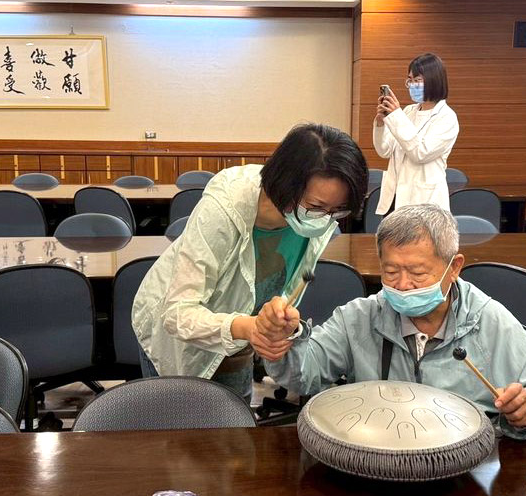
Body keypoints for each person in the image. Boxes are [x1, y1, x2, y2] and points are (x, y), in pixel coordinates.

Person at [258, 204, 526, 439]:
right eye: (390, 272)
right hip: (379, 459)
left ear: (454, 268)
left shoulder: (489, 321)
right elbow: (304, 375)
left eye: (418, 273)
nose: (403, 285)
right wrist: (282, 342)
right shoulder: (360, 317)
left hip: (465, 467)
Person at [132, 123, 368, 405]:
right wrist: (249, 328)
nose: (326, 219)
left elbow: (280, 290)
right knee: (183, 422)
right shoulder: (225, 209)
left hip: (241, 338)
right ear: (285, 186)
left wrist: (276, 321)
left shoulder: (316, 216)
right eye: (317, 207)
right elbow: (177, 314)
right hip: (180, 334)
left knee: (236, 419)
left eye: (337, 211)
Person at [373, 53, 459, 215]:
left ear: (434, 80)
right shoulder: (408, 111)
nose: (412, 85)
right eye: (410, 80)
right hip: (395, 197)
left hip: (424, 202)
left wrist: (396, 116)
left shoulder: (446, 117)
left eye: (417, 80)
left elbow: (420, 153)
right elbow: (384, 151)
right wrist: (381, 123)